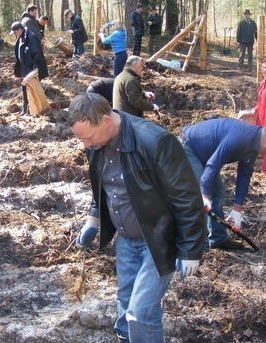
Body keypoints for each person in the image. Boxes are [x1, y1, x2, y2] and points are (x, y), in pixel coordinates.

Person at [69, 93, 205, 343]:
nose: (85, 145)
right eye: (81, 138)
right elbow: (103, 185)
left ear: (106, 120)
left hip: (157, 239)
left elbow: (187, 198)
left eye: (88, 137)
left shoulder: (155, 142)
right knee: (125, 303)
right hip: (126, 240)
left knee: (140, 313)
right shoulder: (96, 145)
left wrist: (191, 249)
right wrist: (94, 217)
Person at [179, 118, 266, 249]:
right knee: (200, 198)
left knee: (217, 195)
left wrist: (237, 208)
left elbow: (244, 175)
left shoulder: (254, 145)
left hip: (206, 154)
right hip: (189, 146)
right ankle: (196, 244)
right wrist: (205, 195)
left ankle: (218, 239)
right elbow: (213, 165)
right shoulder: (240, 138)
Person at [11, 21, 49, 115]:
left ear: (19, 30)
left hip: (31, 69)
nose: (14, 35)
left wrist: (35, 68)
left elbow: (37, 52)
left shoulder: (30, 37)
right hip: (24, 68)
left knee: (33, 90)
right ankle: (25, 110)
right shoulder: (20, 37)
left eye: (15, 32)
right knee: (24, 88)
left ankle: (38, 109)